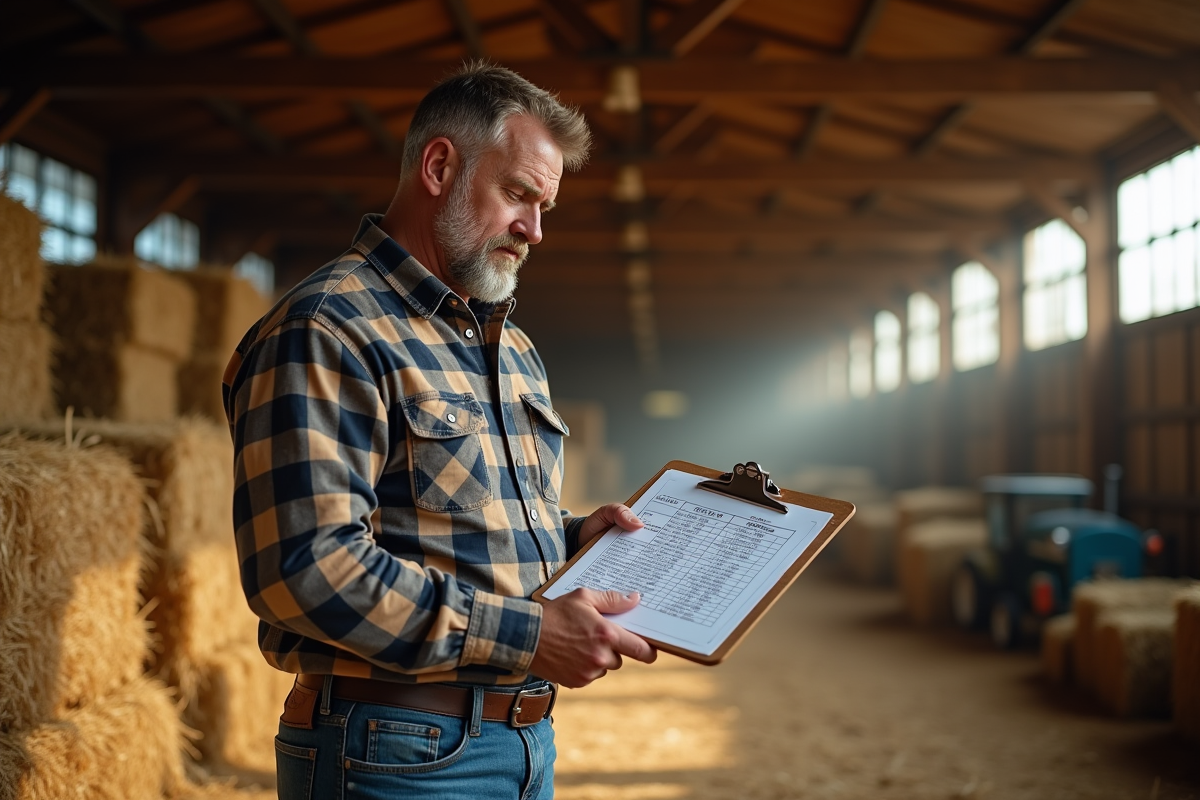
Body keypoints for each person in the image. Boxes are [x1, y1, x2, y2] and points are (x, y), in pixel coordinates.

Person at [222, 62, 657, 799]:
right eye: (518, 194)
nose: (535, 230)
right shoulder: (329, 327)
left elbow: (456, 522)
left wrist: (573, 538)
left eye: (545, 206)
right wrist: (531, 634)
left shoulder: (510, 348)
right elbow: (304, 568)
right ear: (438, 166)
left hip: (524, 742)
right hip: (394, 751)